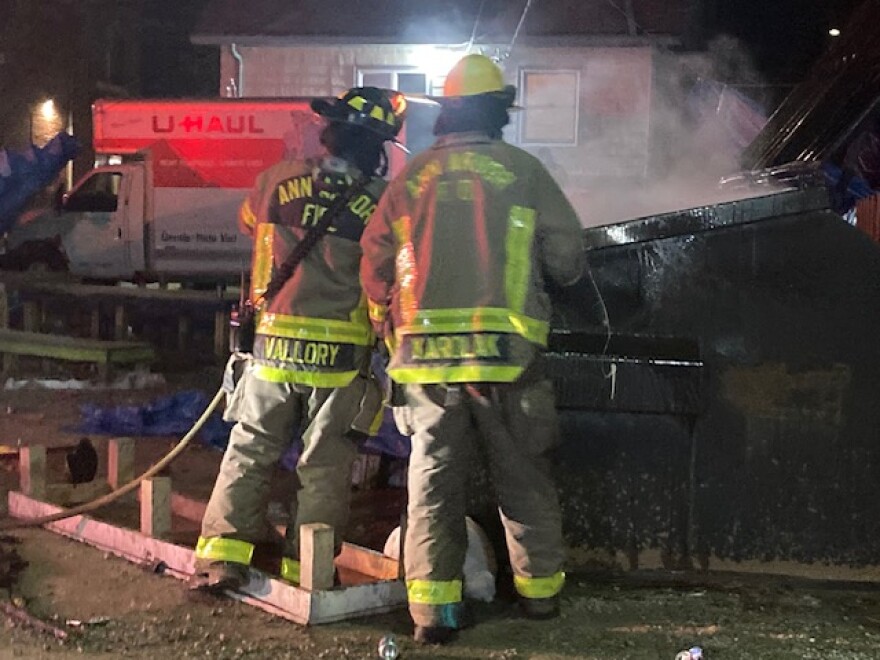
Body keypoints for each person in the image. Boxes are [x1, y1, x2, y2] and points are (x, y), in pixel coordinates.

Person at [360, 53, 585, 644]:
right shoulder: (524, 171)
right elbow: (568, 262)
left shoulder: (408, 180)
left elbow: (376, 264)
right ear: (499, 111)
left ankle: (434, 615)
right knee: (523, 481)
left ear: (447, 113)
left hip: (425, 365)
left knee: (432, 485)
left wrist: (389, 324)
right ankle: (540, 602)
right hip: (508, 360)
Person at [192, 87, 407, 591]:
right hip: (338, 362)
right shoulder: (382, 204)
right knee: (325, 468)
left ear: (329, 132)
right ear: (377, 147)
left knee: (249, 452)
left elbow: (249, 222)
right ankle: (306, 572)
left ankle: (224, 558)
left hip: (269, 353)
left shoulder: (274, 180)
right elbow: (386, 278)